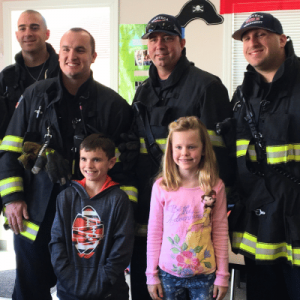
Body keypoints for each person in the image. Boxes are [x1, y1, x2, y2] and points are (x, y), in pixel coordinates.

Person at [0, 28, 132, 300]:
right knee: (29, 290)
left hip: (89, 219)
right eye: (66, 49)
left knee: (86, 291)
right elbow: (9, 151)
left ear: (94, 56)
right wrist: (12, 198)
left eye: (81, 50)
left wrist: (122, 215)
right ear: (58, 54)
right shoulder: (33, 96)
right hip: (35, 213)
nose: (72, 56)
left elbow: (125, 166)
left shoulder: (114, 106)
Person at [129, 14, 233, 300]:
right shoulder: (141, 94)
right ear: (147, 46)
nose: (159, 44)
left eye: (167, 38)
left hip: (197, 218)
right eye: (153, 39)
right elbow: (133, 151)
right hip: (153, 210)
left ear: (182, 43)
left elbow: (220, 156)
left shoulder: (208, 87)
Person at [228, 12, 300, 300]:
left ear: (282, 39)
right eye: (246, 37)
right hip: (257, 222)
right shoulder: (241, 95)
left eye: (260, 34)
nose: (252, 42)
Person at [146, 116, 229, 300]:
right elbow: (154, 232)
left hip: (206, 275)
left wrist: (223, 276)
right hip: (167, 275)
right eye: (179, 147)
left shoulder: (215, 187)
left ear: (203, 149)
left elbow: (221, 232)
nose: (185, 153)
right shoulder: (161, 187)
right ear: (171, 150)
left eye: (191, 147)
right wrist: (151, 275)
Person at [49, 133, 134, 300]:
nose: (89, 165)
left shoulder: (119, 199)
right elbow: (56, 240)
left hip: (109, 290)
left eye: (96, 159)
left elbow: (123, 245)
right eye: (83, 159)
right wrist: (66, 276)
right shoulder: (65, 197)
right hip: (69, 289)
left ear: (111, 162)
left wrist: (105, 278)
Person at [0, 10, 59, 215]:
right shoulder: (6, 78)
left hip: (54, 172)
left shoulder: (64, 71)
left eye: (34, 27)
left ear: (46, 33)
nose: (28, 33)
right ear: (16, 35)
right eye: (22, 28)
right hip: (15, 170)